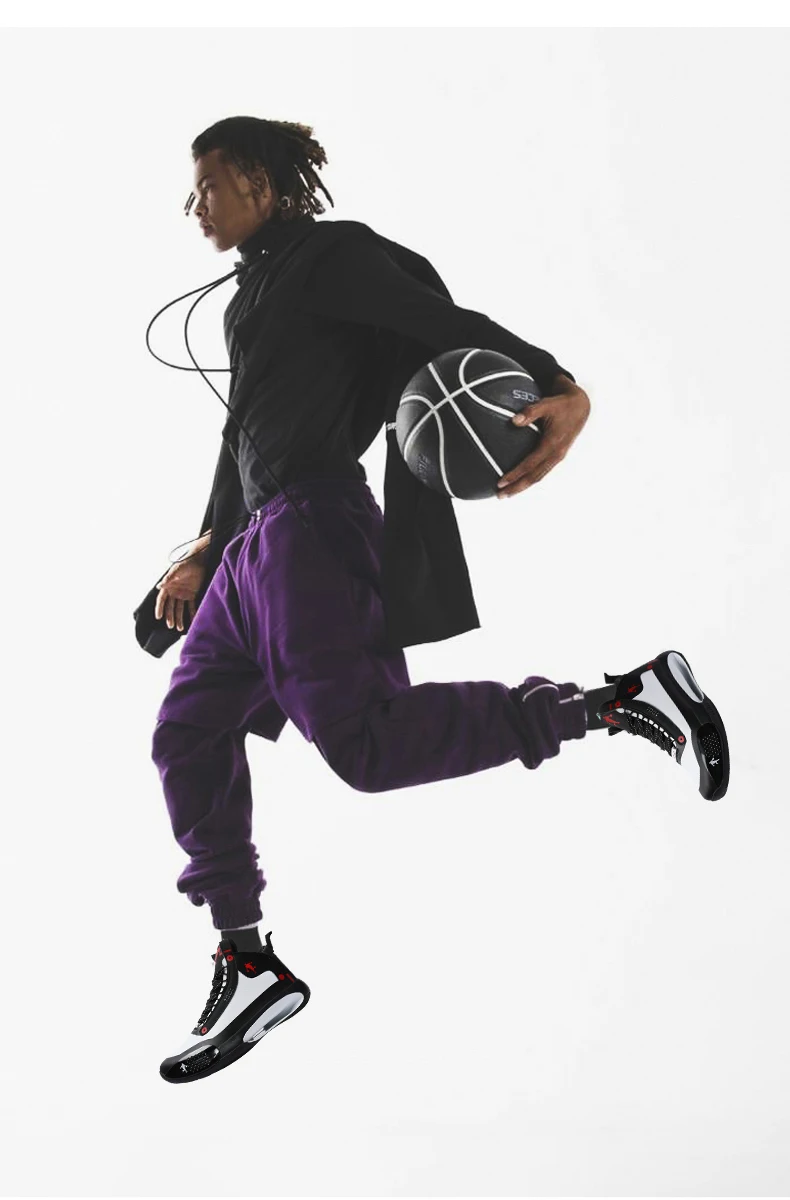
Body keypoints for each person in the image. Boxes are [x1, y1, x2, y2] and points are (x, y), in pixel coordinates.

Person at [152, 117, 729, 1084]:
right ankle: (246, 961)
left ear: (257, 180)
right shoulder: (249, 301)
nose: (193, 205)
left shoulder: (331, 256)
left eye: (206, 184)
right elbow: (239, 437)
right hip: (250, 552)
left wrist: (560, 383)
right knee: (186, 734)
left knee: (366, 747)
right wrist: (204, 548)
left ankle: (624, 700)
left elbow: (437, 321)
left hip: (312, 526)